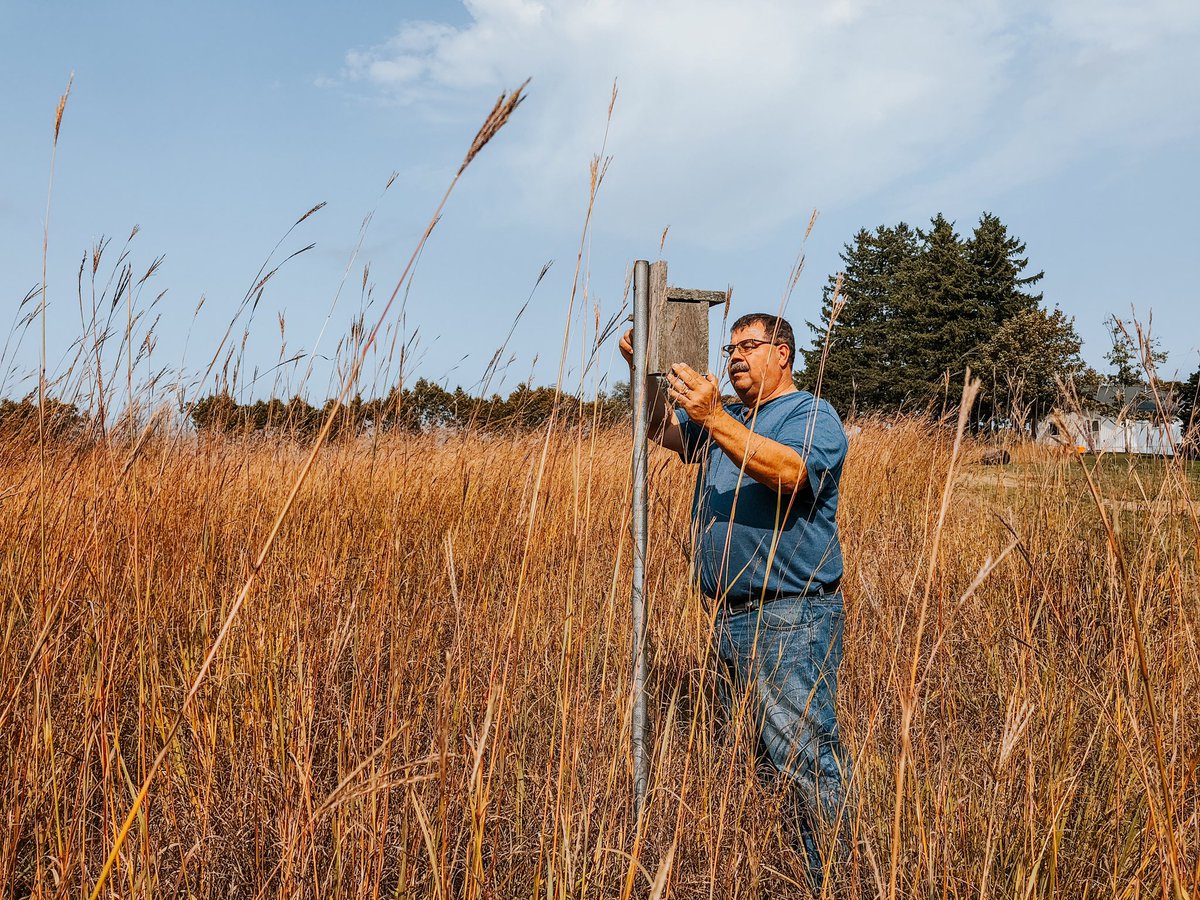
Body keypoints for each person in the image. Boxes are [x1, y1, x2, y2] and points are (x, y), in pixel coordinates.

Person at [620, 312, 851, 890]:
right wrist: (640, 371)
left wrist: (714, 415)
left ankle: (834, 881)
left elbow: (793, 472)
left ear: (784, 354)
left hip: (790, 616)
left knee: (802, 759)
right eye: (731, 348)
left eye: (749, 346)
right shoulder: (730, 421)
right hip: (730, 616)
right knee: (755, 762)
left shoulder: (810, 414)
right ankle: (782, 875)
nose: (735, 357)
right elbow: (662, 430)